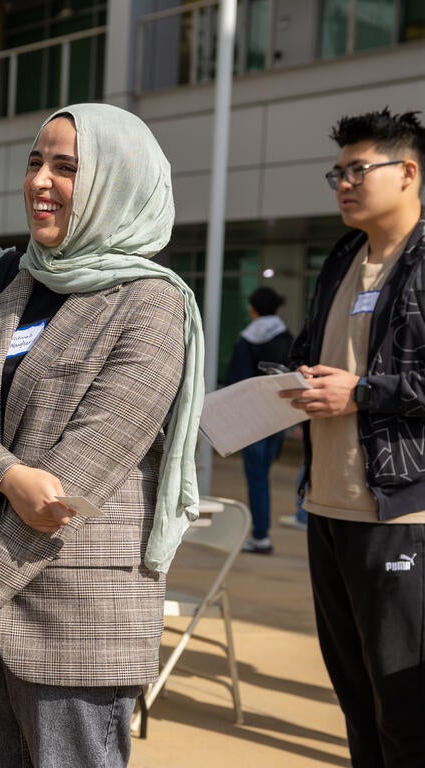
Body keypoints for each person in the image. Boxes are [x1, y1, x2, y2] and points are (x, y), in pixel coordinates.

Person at [0, 103, 204, 768]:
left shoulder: (152, 303)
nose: (40, 180)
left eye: (66, 167)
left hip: (75, 612)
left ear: (115, 182)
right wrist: (9, 475)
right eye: (35, 161)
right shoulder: (1, 276)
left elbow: (82, 473)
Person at [280, 108, 425, 766]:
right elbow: (316, 354)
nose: (343, 182)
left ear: (409, 172)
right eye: (337, 172)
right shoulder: (341, 258)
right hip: (328, 508)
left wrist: (361, 392)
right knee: (357, 698)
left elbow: (382, 382)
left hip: (403, 514)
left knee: (407, 709)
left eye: (358, 169)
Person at [226, 286, 293, 554]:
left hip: (254, 418)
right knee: (262, 475)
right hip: (279, 415)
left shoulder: (247, 339)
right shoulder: (287, 336)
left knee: (256, 478)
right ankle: (261, 532)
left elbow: (238, 382)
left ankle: (261, 535)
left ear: (253, 309)